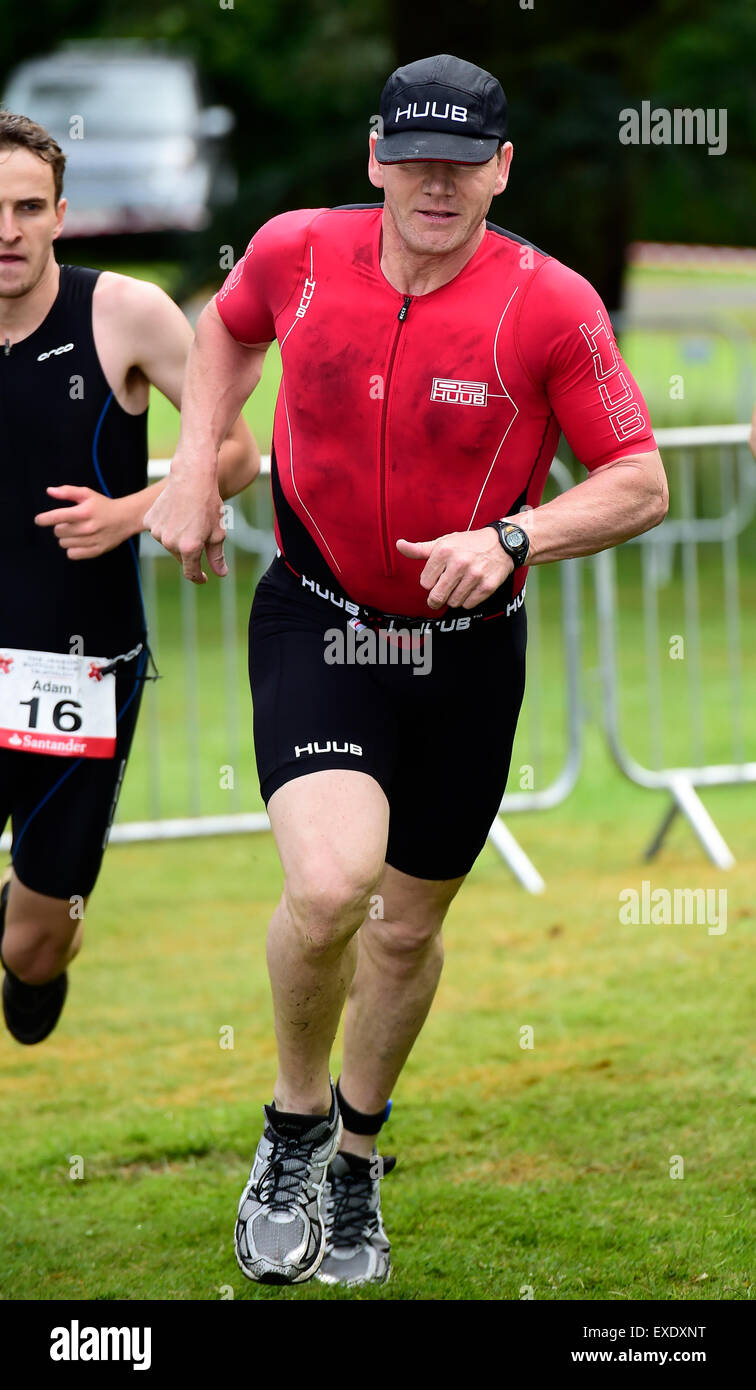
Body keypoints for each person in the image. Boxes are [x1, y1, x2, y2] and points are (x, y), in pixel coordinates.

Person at [146, 54, 669, 1288]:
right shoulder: (295, 252)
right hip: (321, 617)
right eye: (413, 156)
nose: (436, 182)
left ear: (501, 167)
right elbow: (224, 335)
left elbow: (640, 480)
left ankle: (358, 1157)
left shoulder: (550, 304)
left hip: (465, 653)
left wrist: (513, 539)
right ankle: (288, 1128)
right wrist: (191, 461)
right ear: (376, 159)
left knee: (403, 930)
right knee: (330, 891)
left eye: (463, 159)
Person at [0, 111, 258, 1046]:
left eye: (29, 207)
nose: (9, 230)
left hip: (76, 671)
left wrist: (133, 511)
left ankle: (29, 958)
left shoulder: (126, 313)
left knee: (36, 945)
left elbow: (236, 451)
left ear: (61, 214)